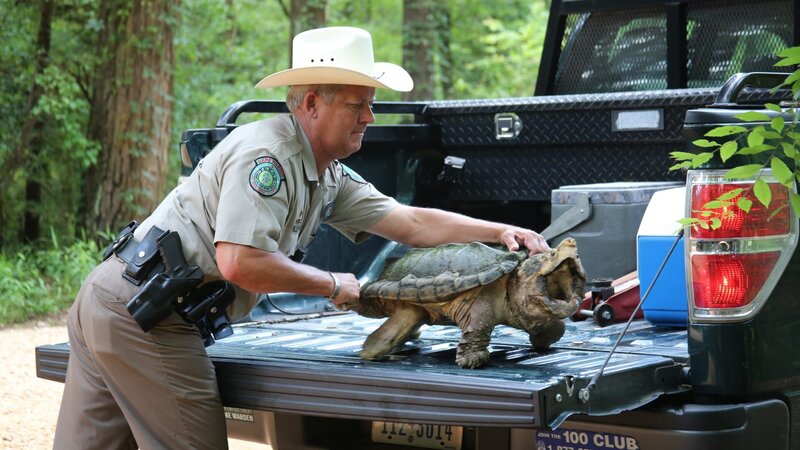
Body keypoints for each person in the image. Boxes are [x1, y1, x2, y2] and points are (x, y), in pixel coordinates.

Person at [53, 26, 550, 450]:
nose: (370, 118)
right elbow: (239, 263)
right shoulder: (266, 158)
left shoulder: (326, 172)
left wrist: (501, 231)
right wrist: (334, 285)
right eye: (359, 105)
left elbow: (411, 223)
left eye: (371, 105)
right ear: (312, 103)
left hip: (116, 300)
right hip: (149, 317)